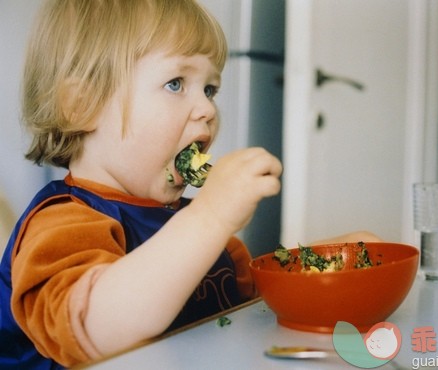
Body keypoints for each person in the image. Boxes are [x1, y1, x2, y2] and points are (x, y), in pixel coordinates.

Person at [0, 0, 380, 368]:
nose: (208, 110)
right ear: (82, 105)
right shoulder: (60, 225)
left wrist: (328, 262)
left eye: (210, 89)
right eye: (176, 83)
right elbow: (93, 330)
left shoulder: (205, 236)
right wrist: (210, 216)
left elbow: (257, 304)